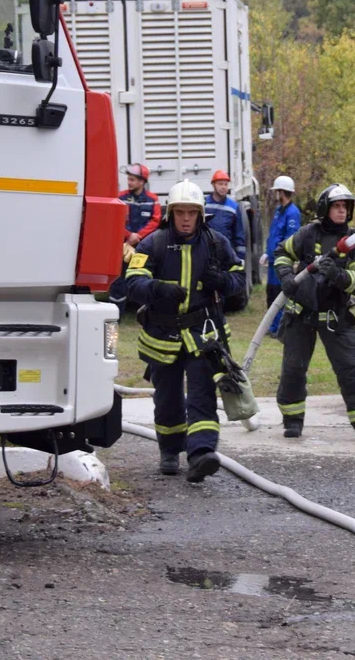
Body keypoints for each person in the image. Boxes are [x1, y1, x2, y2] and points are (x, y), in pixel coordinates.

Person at [125, 181, 246, 483]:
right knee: (167, 398)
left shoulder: (217, 243)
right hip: (162, 335)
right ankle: (169, 451)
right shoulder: (152, 243)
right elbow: (132, 281)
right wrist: (157, 288)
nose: (186, 218)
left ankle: (201, 454)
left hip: (203, 335)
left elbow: (239, 279)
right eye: (180, 212)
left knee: (203, 394)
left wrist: (223, 282)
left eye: (192, 212)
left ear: (201, 214)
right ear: (171, 213)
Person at [273, 184, 355, 444]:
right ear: (325, 208)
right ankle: (292, 420)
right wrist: (287, 277)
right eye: (337, 206)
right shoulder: (308, 233)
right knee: (293, 369)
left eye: (346, 206)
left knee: (354, 370)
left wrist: (338, 274)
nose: (342, 210)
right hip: (301, 314)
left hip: (337, 316)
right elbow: (282, 253)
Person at [110, 164, 162, 313]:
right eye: (129, 179)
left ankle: (144, 314)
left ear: (142, 181)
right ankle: (117, 314)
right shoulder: (121, 197)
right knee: (118, 281)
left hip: (143, 246)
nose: (129, 182)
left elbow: (155, 221)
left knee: (142, 278)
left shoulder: (153, 199)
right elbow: (114, 219)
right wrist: (128, 235)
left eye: (132, 179)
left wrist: (138, 236)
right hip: (123, 246)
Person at [261, 175, 301, 336]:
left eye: (277, 191)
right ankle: (271, 326)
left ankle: (279, 328)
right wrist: (266, 252)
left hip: (282, 261)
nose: (275, 194)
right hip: (272, 259)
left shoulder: (293, 213)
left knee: (279, 292)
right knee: (271, 292)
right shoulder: (279, 211)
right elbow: (273, 234)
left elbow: (290, 238)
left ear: (282, 192)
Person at [204, 170, 247, 267]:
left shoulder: (234, 207)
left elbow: (239, 234)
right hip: (207, 253)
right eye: (220, 184)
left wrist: (240, 258)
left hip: (227, 253)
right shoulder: (204, 205)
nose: (223, 187)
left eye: (226, 184)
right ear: (213, 185)